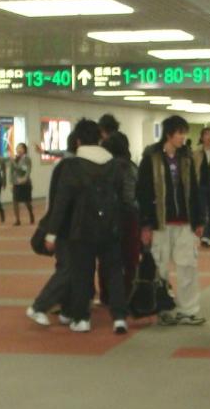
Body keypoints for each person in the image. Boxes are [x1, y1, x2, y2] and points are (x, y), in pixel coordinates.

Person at [42, 119, 128, 333]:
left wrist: (51, 233)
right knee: (114, 273)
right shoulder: (114, 165)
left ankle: (82, 319)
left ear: (78, 140)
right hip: (110, 228)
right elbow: (122, 198)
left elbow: (61, 202)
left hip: (82, 229)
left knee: (82, 273)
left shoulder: (72, 166)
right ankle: (119, 317)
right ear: (99, 139)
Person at [136, 114, 206, 326]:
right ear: (168, 134)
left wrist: (199, 220)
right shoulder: (151, 158)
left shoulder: (186, 158)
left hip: (185, 222)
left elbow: (195, 190)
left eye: (184, 133)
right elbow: (143, 192)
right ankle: (162, 308)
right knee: (160, 266)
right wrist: (145, 224)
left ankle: (188, 310)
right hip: (160, 223)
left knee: (188, 266)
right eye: (179, 133)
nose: (183, 137)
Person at [27, 131, 79, 326]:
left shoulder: (66, 164)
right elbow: (57, 201)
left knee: (68, 267)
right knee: (67, 269)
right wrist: (52, 231)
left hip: (63, 224)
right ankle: (39, 306)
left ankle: (67, 309)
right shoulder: (68, 166)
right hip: (64, 226)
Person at [101, 131, 140, 312]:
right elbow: (134, 196)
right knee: (130, 258)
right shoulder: (131, 167)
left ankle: (106, 294)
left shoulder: (105, 167)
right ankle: (128, 293)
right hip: (129, 217)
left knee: (107, 258)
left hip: (108, 218)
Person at [10, 142, 34, 226]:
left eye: (20, 148)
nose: (18, 149)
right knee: (15, 201)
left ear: (24, 150)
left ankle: (31, 213)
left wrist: (25, 178)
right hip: (16, 183)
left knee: (27, 202)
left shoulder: (27, 159)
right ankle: (17, 220)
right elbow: (12, 171)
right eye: (17, 148)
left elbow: (25, 170)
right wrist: (11, 182)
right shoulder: (15, 159)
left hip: (25, 183)